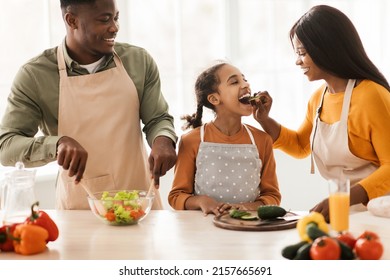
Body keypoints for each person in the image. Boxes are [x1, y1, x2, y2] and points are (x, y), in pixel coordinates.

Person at [0, 0, 177, 210]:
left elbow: (157, 118)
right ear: (71, 20)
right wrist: (56, 145)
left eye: (116, 17)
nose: (114, 27)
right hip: (78, 208)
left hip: (138, 203)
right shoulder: (35, 75)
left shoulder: (138, 60)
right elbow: (6, 145)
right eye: (104, 19)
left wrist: (164, 139)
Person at [253, 5, 390, 221]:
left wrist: (343, 197)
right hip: (348, 212)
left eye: (302, 53)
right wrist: (264, 120)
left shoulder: (372, 95)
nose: (298, 61)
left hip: (383, 211)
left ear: (326, 48)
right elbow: (300, 145)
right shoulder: (319, 98)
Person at [168, 62, 281, 216]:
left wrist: (247, 207)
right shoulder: (191, 141)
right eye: (234, 82)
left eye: (244, 79)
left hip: (247, 228)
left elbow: (272, 197)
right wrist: (202, 201)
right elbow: (176, 197)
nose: (246, 84)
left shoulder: (262, 140)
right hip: (203, 228)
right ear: (214, 99)